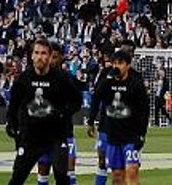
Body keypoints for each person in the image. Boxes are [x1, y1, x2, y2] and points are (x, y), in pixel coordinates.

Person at [6, 37, 82, 185]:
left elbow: (76, 101)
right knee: (17, 177)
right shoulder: (23, 79)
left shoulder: (61, 78)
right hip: (30, 137)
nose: (40, 57)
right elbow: (14, 106)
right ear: (32, 56)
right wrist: (13, 127)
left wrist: (62, 115)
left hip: (55, 137)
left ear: (49, 56)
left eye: (43, 53)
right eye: (37, 53)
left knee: (62, 175)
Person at [93, 47, 149, 185]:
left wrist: (141, 134)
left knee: (132, 171)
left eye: (121, 63)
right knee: (117, 176)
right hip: (113, 136)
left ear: (128, 65)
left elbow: (145, 110)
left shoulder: (135, 83)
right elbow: (97, 95)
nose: (117, 66)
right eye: (115, 63)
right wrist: (108, 79)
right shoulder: (108, 80)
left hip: (131, 136)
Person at [37, 41, 81, 185]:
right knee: (43, 171)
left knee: (68, 172)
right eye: (50, 57)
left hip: (64, 133)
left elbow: (77, 103)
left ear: (61, 58)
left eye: (55, 57)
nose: (51, 60)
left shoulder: (68, 79)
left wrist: (63, 113)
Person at [86, 51, 114, 185]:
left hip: (124, 127)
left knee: (119, 164)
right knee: (102, 161)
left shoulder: (133, 77)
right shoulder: (105, 74)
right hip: (105, 124)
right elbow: (96, 98)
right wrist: (91, 120)